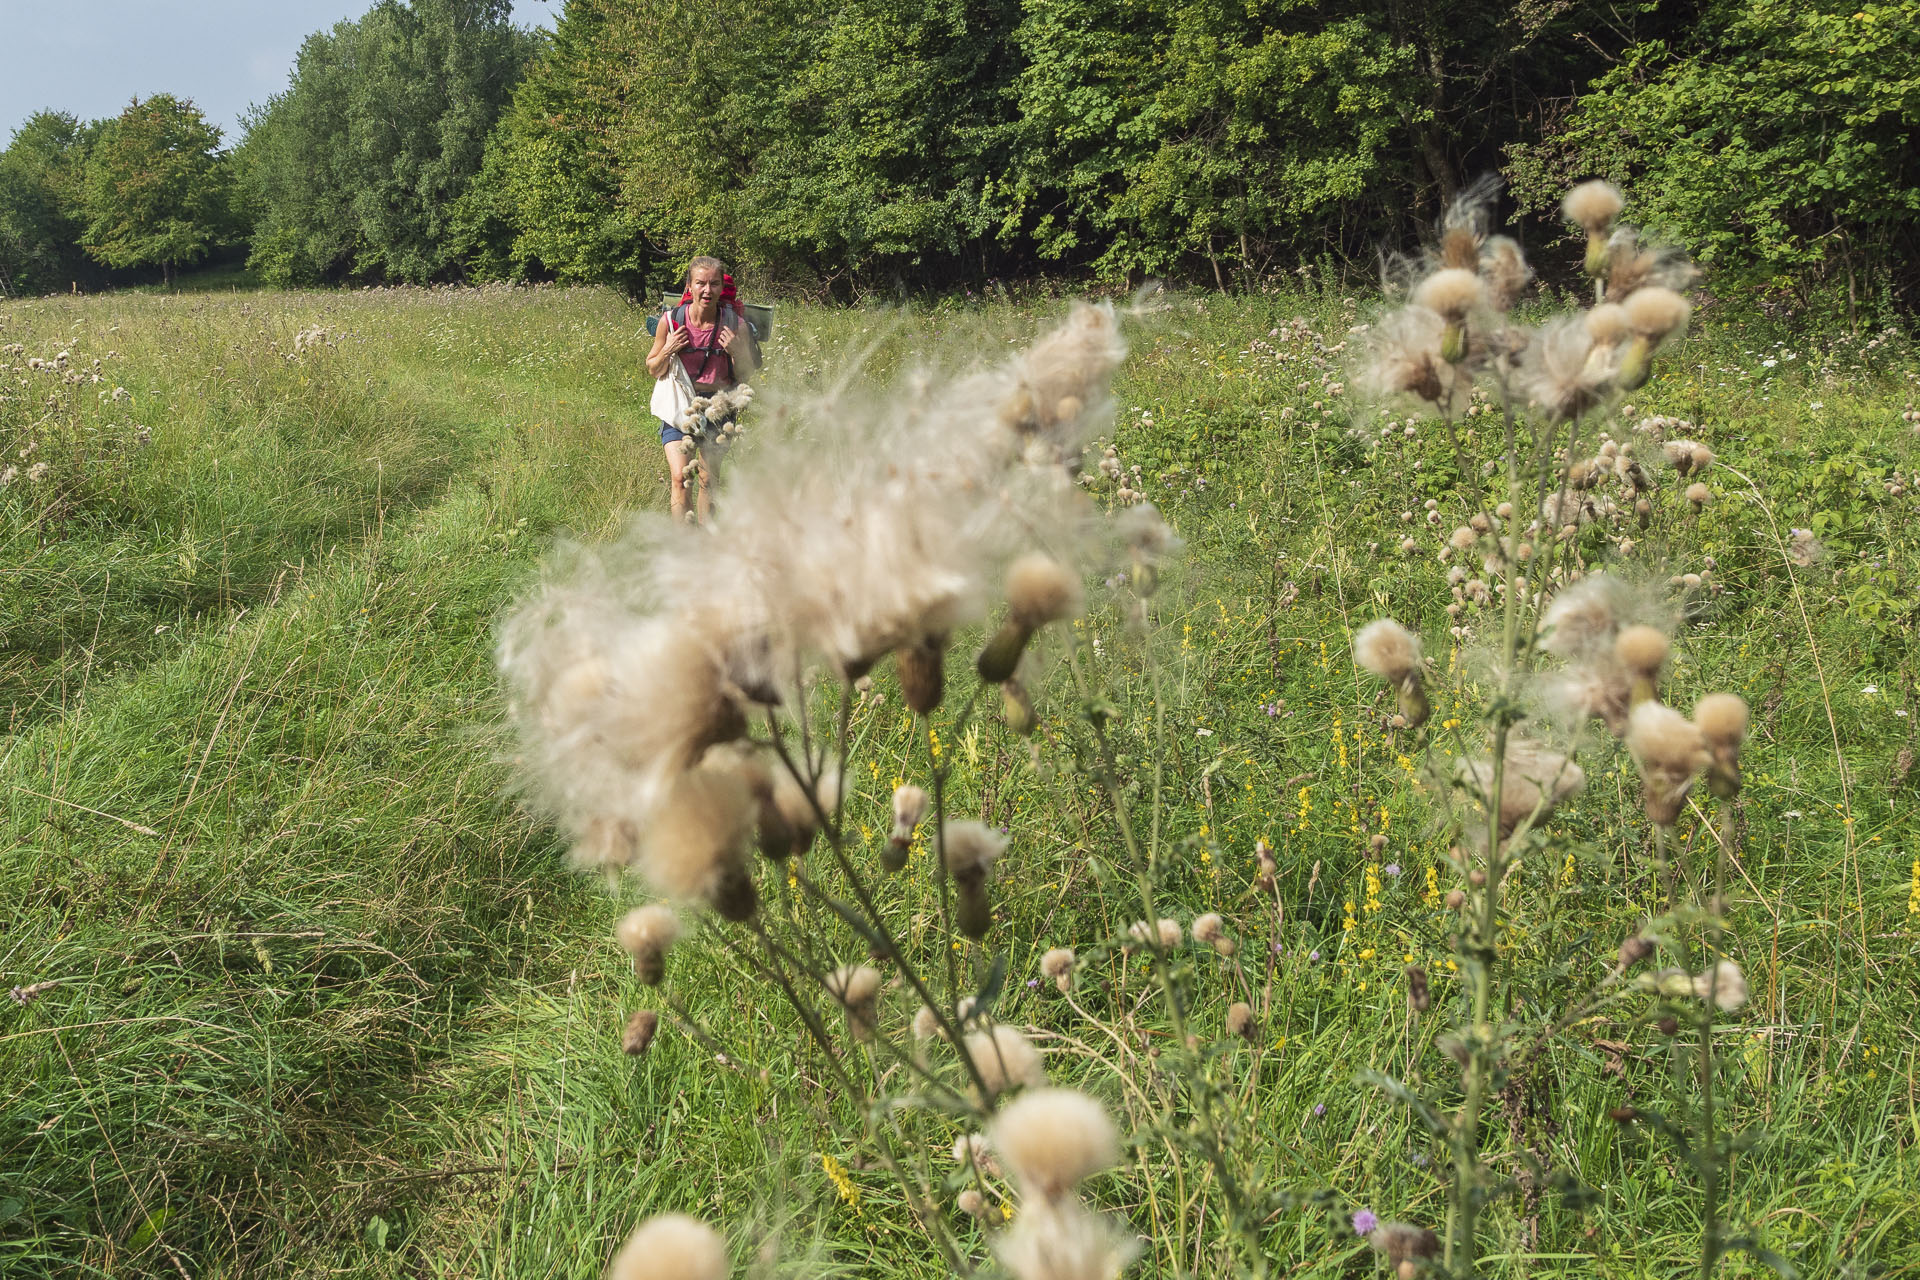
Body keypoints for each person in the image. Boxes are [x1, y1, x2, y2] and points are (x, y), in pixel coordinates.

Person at [646, 256, 758, 523]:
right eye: (701, 283)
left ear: (721, 288)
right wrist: (669, 349)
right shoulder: (671, 321)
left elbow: (745, 376)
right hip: (679, 404)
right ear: (689, 286)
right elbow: (653, 368)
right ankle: (683, 544)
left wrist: (737, 352)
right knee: (679, 477)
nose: (707, 290)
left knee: (709, 479)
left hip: (719, 405)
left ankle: (706, 544)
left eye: (714, 284)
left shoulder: (735, 325)